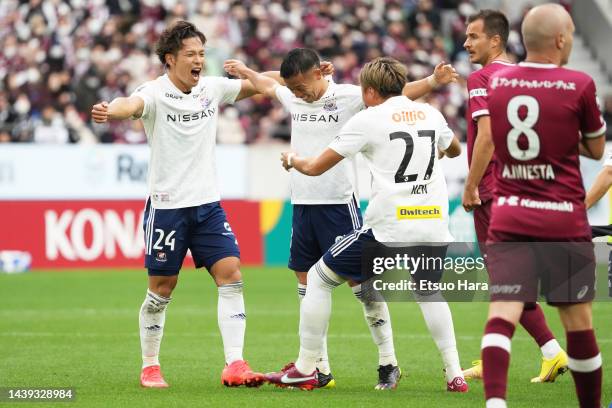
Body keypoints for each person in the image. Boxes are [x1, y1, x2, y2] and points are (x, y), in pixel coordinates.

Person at [225, 49, 459, 390]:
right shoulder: (293, 96)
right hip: (304, 205)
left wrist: (432, 81)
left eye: (302, 85)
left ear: (320, 73)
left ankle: (387, 362)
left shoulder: (350, 97)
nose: (298, 92)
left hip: (339, 205)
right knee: (305, 284)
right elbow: (264, 84)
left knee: (363, 289)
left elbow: (397, 97)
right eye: (292, 87)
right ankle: (319, 368)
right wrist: (247, 68)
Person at [91, 20, 271, 389]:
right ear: (170, 59)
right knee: (162, 287)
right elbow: (132, 104)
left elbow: (258, 85)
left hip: (208, 206)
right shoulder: (154, 93)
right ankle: (150, 365)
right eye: (191, 54)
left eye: (202, 54)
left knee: (232, 274)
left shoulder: (211, 89)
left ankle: (235, 363)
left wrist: (302, 75)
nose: (199, 60)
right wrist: (112, 110)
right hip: (168, 208)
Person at [479, 4, 606, 407]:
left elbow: (495, 138)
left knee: (502, 312)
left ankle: (495, 403)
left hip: (510, 209)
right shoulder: (579, 83)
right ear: (561, 39)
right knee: (577, 322)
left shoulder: (497, 84)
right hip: (563, 217)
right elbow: (596, 147)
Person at [460, 9, 567, 383]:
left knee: (505, 280)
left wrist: (471, 185)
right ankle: (547, 353)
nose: (466, 43)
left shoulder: (482, 78)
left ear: (495, 40)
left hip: (493, 191)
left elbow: (486, 136)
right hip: (528, 187)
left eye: (473, 36)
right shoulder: (528, 75)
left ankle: (520, 356)